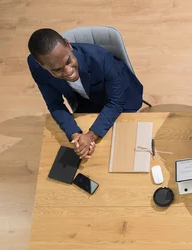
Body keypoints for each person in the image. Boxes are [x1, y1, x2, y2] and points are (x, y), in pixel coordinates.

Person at [27, 28, 144, 159]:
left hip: (124, 100)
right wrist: (74, 134)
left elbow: (116, 102)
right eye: (57, 70)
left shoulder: (101, 58)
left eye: (68, 61)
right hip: (87, 103)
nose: (68, 72)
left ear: (68, 44)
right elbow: (54, 104)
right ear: (42, 65)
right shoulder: (36, 66)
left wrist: (91, 135)